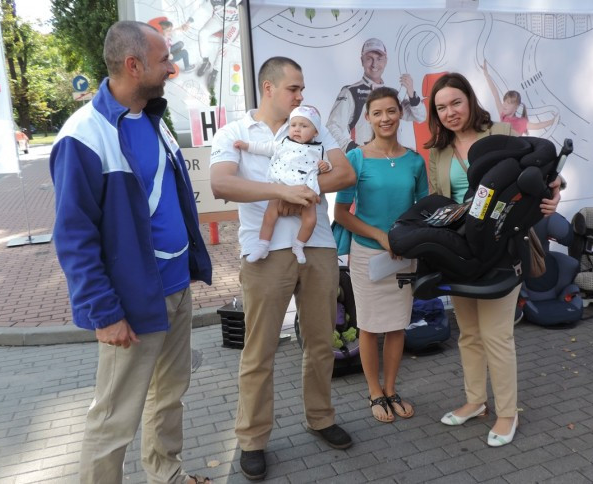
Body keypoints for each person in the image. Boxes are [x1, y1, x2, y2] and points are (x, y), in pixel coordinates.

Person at [49, 21, 213, 484]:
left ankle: (167, 475)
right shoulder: (82, 135)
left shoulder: (155, 119)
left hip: (175, 288)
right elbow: (74, 236)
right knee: (113, 419)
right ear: (133, 64)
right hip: (132, 301)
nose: (173, 69)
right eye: (164, 61)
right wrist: (103, 311)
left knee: (169, 396)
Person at [209, 56, 356, 481]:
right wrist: (281, 190)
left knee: (320, 343)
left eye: (302, 88)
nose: (301, 96)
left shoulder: (312, 125)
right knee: (259, 351)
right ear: (268, 88)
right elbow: (222, 183)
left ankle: (321, 417)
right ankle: (252, 440)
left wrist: (302, 192)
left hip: (318, 247)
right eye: (294, 88)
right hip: (265, 253)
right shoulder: (235, 132)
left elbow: (344, 172)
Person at [424, 72, 561, 447]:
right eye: (441, 107)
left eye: (456, 102)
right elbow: (440, 199)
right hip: (460, 250)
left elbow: (541, 173)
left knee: (497, 335)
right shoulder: (437, 151)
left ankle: (506, 413)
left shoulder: (500, 131)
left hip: (503, 247)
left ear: (470, 100)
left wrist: (555, 194)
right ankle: (475, 401)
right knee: (468, 333)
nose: (450, 112)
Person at [333, 87, 428, 423]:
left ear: (400, 113)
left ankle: (391, 389)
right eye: (377, 113)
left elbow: (422, 210)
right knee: (371, 327)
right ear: (368, 118)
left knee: (398, 325)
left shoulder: (415, 161)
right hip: (367, 255)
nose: (385, 118)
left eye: (391, 111)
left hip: (404, 256)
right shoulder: (355, 158)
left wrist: (408, 241)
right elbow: (342, 213)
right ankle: (374, 392)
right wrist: (381, 237)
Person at [233, 105, 332, 264]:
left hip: (306, 192)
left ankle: (299, 245)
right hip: (281, 187)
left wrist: (325, 166)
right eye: (293, 125)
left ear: (316, 132)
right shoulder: (283, 143)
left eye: (304, 126)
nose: (297, 129)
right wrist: (246, 145)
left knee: (310, 220)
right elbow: (265, 148)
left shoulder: (319, 149)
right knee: (270, 215)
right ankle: (262, 245)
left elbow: (328, 164)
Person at [326, 37, 426, 152]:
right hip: (364, 162)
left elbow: (420, 117)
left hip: (391, 159)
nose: (374, 64)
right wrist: (353, 149)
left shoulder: (392, 94)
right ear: (362, 61)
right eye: (369, 59)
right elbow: (332, 127)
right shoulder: (350, 92)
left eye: (379, 59)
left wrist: (412, 94)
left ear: (385, 61)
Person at [482, 60, 557, 136]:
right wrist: (486, 75)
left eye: (509, 103)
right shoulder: (503, 115)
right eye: (504, 101)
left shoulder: (520, 122)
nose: (504, 105)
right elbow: (495, 94)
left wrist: (552, 121)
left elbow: (537, 126)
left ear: (516, 107)